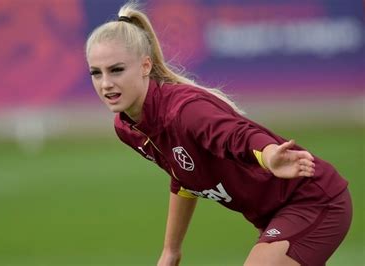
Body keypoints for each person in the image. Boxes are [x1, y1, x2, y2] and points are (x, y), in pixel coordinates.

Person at [85, 2, 352, 265]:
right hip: (272, 216)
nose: (106, 83)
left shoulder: (184, 111)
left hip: (313, 200)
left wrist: (270, 156)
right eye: (96, 73)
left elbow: (239, 135)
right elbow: (183, 176)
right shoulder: (128, 127)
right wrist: (171, 250)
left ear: (145, 66)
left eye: (117, 69)